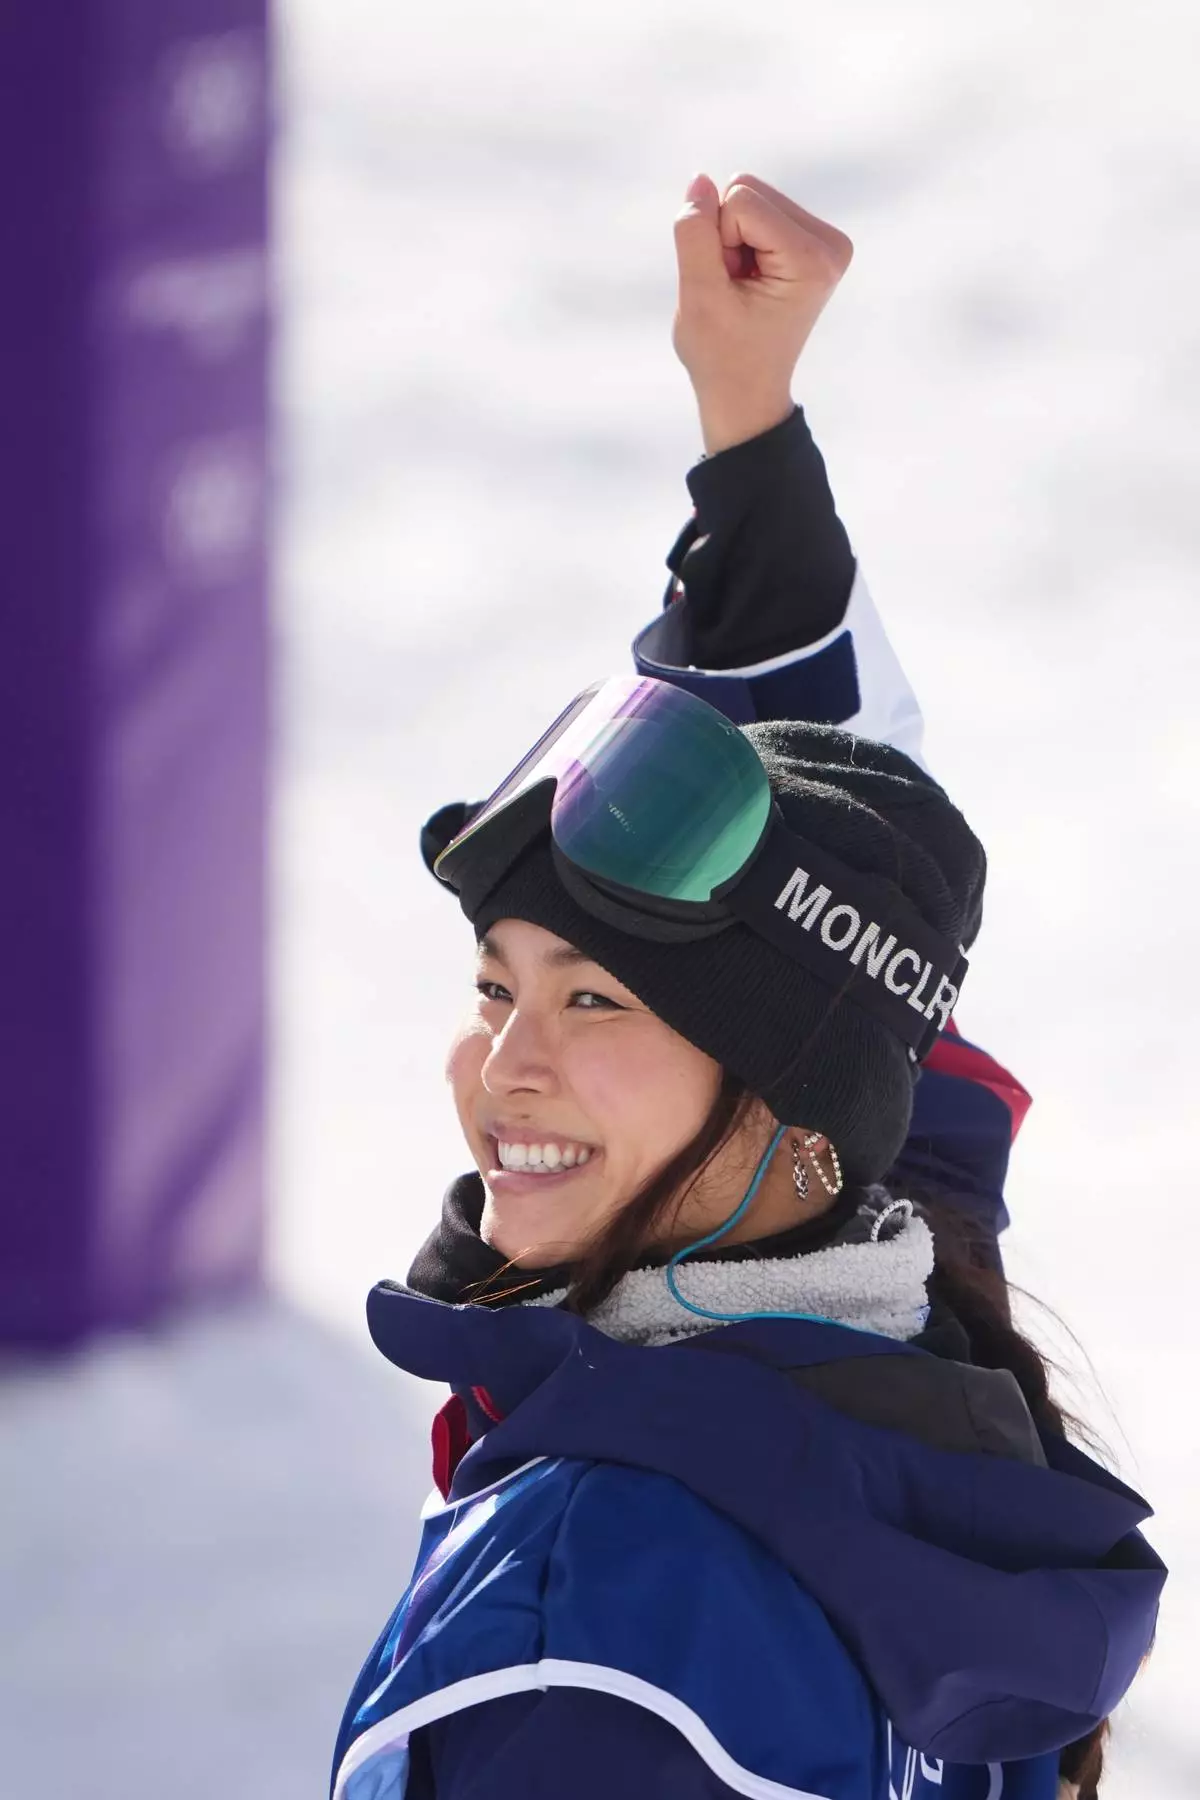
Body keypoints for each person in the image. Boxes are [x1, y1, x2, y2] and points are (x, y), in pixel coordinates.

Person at [330, 175, 1164, 1800]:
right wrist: (749, 422)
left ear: (787, 1100)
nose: (504, 1063)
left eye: (595, 1005)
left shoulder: (595, 1626)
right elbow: (856, 923)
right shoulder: (914, 1357)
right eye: (495, 985)